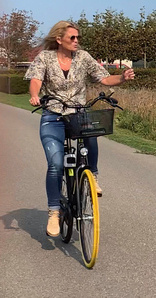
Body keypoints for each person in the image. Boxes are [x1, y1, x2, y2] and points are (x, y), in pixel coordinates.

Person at [25, 21, 135, 237]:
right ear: (59, 39)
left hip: (77, 113)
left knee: (92, 131)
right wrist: (35, 95)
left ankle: (92, 175)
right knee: (56, 164)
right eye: (72, 38)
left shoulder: (83, 57)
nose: (77, 41)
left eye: (78, 38)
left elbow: (104, 78)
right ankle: (54, 213)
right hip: (53, 115)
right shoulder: (45, 58)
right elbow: (36, 80)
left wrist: (121, 78)